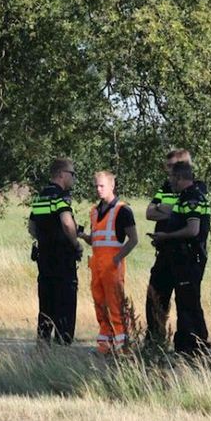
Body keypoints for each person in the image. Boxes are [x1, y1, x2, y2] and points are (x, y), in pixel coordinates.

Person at [148, 161, 211, 355]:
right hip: (175, 258)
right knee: (159, 297)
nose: (170, 182)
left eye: (171, 178)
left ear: (180, 177)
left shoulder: (192, 198)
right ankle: (158, 341)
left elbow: (193, 230)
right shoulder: (184, 197)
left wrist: (166, 236)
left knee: (188, 304)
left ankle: (193, 347)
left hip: (189, 259)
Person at [79, 171, 138, 354]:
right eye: (96, 185)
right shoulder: (94, 211)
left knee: (116, 305)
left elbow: (133, 239)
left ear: (112, 186)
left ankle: (123, 347)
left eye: (102, 186)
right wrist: (81, 235)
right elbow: (95, 240)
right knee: (100, 304)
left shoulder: (123, 210)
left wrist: (117, 258)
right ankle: (105, 346)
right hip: (96, 265)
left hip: (112, 266)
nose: (98, 189)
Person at [144, 148, 197, 348]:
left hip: (184, 255)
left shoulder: (193, 188)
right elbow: (149, 212)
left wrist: (166, 211)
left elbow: (184, 217)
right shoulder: (166, 186)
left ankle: (188, 345)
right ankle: (154, 340)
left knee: (186, 302)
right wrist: (169, 212)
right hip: (164, 252)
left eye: (171, 167)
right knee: (155, 296)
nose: (168, 172)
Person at [28, 158, 82, 345]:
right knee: (65, 304)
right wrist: (76, 244)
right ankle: (63, 346)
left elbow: (32, 226)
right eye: (72, 174)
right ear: (61, 174)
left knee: (46, 306)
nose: (73, 178)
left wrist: (45, 238)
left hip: (45, 259)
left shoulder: (40, 197)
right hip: (63, 259)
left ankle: (43, 345)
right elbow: (67, 223)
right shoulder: (60, 197)